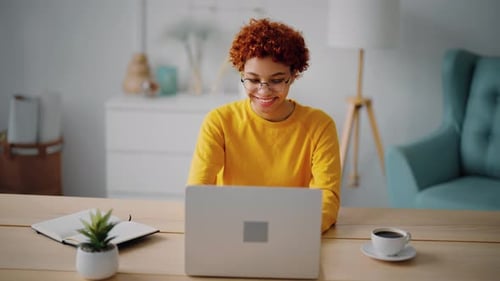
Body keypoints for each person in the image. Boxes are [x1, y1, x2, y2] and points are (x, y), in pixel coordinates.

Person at [187, 18, 341, 233]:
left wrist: (294, 230)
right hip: (231, 231)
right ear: (242, 74)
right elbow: (199, 191)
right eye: (252, 79)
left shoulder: (320, 126)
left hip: (295, 232)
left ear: (294, 75)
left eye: (277, 80)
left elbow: (327, 198)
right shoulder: (219, 122)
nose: (264, 90)